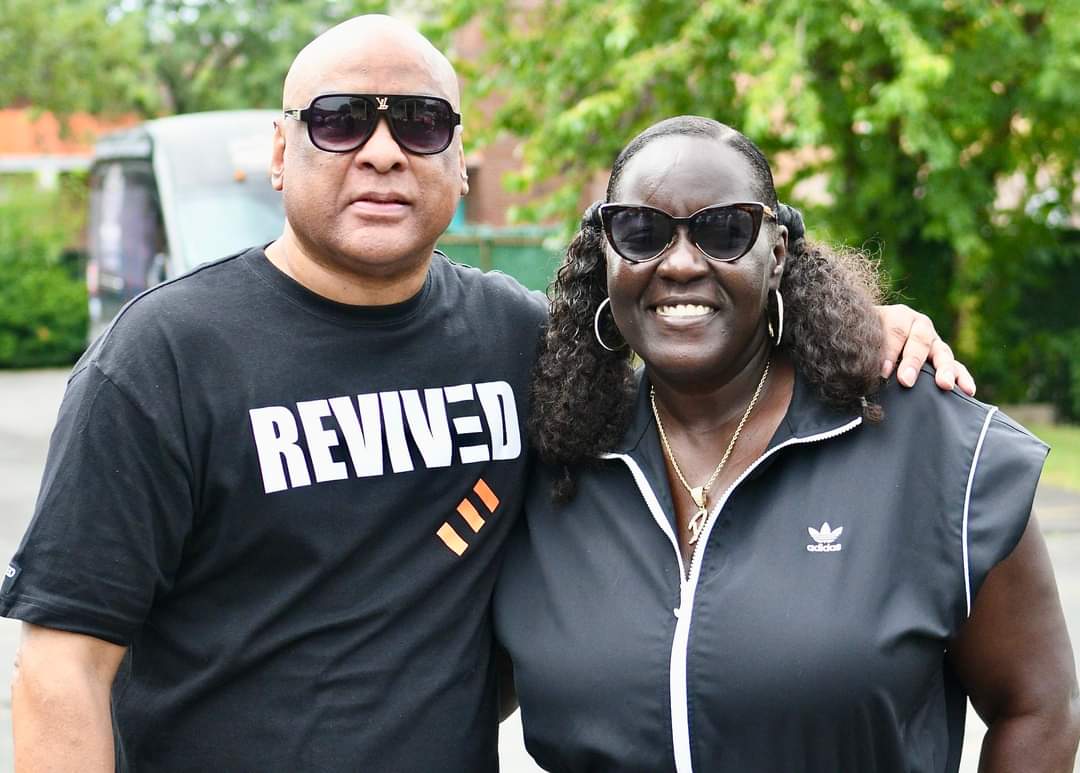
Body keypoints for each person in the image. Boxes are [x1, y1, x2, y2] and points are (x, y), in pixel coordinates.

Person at [2, 17, 970, 773]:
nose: (383, 151)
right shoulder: (165, 359)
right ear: (281, 151)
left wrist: (859, 327)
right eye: (341, 118)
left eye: (420, 122)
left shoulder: (522, 341)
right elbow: (62, 668)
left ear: (460, 162)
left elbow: (692, 370)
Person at [494, 116, 1080, 772]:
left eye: (724, 230)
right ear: (606, 256)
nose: (682, 262)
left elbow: (1039, 702)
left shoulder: (929, 443)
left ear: (775, 253)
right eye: (641, 231)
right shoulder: (556, 458)